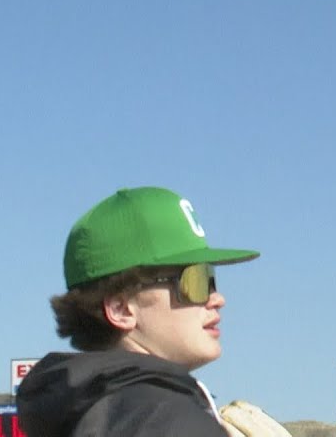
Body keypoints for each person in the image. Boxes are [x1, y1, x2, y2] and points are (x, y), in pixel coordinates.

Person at [16, 186, 259, 437]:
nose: (217, 299)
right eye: (194, 281)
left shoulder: (86, 412)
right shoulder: (166, 421)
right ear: (121, 309)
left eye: (211, 278)